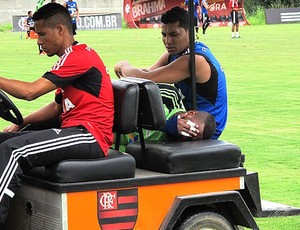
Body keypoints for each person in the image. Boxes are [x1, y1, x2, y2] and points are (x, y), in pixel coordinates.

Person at [0, 3, 114, 225]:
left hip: (91, 134)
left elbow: (30, 92)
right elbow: (56, 107)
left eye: (42, 34)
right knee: (1, 140)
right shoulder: (68, 58)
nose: (39, 41)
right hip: (73, 130)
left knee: (13, 151)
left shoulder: (78, 57)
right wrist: (21, 122)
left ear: (61, 30)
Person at [114, 6, 227, 140]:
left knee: (130, 136)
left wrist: (124, 66)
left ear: (190, 32)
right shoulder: (174, 54)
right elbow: (148, 72)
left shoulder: (195, 60)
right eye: (164, 34)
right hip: (182, 119)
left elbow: (146, 78)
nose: (168, 41)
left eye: (174, 34)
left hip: (201, 128)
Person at [115, 83, 216, 152]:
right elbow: (126, 100)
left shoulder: (169, 147)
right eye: (191, 127)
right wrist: (164, 124)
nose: (186, 133)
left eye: (191, 136)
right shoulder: (168, 98)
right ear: (191, 113)